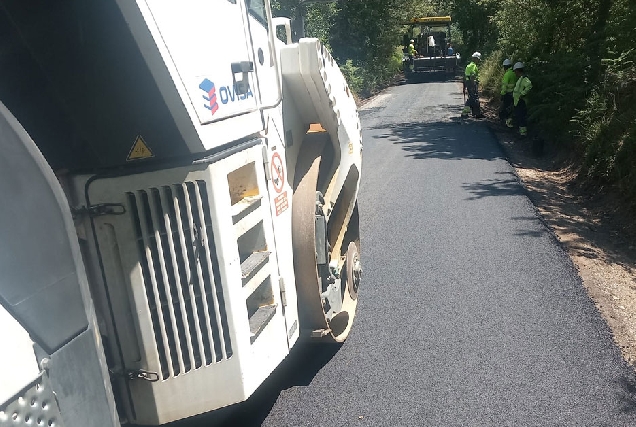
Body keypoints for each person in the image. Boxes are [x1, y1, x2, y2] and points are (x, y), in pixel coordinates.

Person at [512, 61, 532, 136]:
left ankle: (523, 133)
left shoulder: (524, 79)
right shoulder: (520, 78)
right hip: (517, 101)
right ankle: (520, 132)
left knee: (521, 117)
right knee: (519, 117)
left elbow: (529, 86)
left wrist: (522, 94)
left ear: (517, 70)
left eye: (515, 71)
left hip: (521, 101)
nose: (515, 73)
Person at [462, 52, 484, 118]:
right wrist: (473, 84)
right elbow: (472, 76)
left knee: (474, 98)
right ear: (475, 58)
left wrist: (464, 86)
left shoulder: (468, 66)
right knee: (473, 98)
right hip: (472, 83)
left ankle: (476, 113)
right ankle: (466, 113)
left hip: (468, 83)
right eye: (478, 59)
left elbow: (465, 77)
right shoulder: (473, 66)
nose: (479, 61)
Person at [499, 59, 517, 127]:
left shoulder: (507, 74)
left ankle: (504, 121)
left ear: (506, 66)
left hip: (507, 94)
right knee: (510, 108)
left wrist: (502, 94)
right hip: (514, 94)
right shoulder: (514, 73)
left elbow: (504, 86)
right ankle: (509, 121)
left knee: (504, 108)